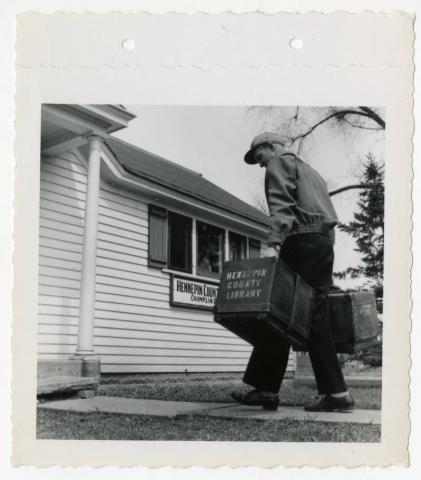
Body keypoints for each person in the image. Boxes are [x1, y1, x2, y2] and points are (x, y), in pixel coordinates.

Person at [231, 132, 354, 412]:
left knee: (286, 312)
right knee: (293, 314)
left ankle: (332, 392)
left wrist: (274, 243)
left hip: (299, 241)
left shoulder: (279, 164)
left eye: (259, 156)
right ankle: (270, 389)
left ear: (271, 147)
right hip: (322, 244)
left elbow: (282, 207)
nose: (261, 164)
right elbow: (326, 217)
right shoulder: (312, 172)